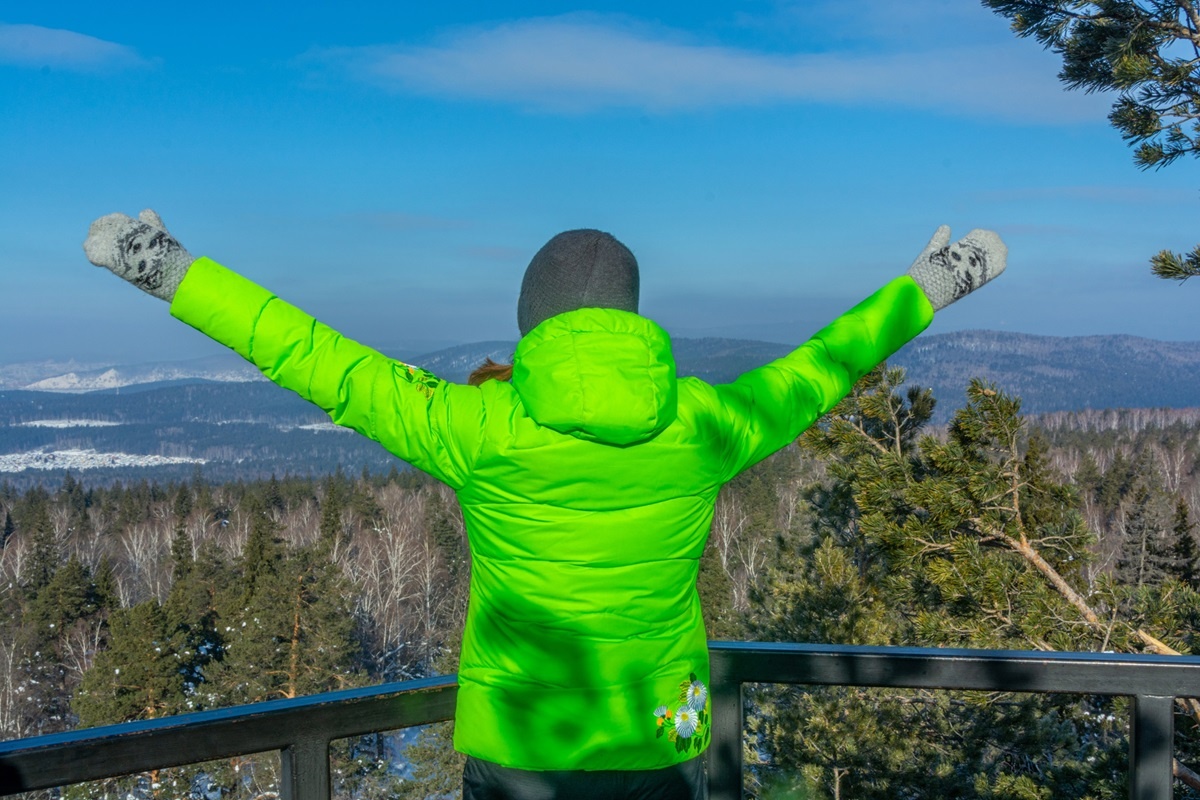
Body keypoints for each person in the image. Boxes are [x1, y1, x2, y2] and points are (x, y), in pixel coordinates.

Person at [83, 212, 1006, 799]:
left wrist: (169, 268)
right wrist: (926, 288)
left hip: (520, 741)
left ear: (535, 321)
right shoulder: (705, 421)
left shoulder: (478, 426)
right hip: (666, 732)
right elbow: (826, 363)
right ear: (630, 318)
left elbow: (317, 357)